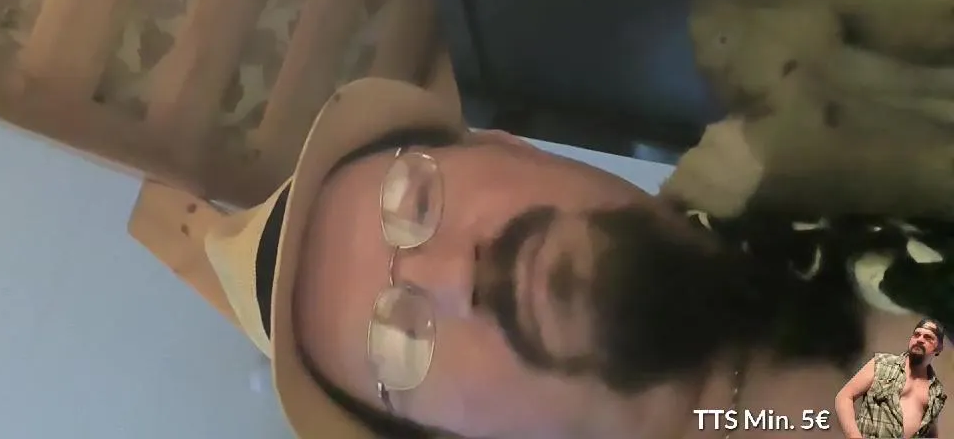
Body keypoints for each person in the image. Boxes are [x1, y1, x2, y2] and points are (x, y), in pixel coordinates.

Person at [202, 77, 954, 439]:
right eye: (397, 345)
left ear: (509, 147)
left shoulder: (838, 131)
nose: (457, 276)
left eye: (416, 199)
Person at [835, 319, 946, 438]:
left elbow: (930, 431)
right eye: (916, 334)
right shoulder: (882, 363)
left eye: (928, 337)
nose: (920, 339)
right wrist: (854, 436)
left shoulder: (936, 391)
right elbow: (844, 397)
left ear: (939, 348)